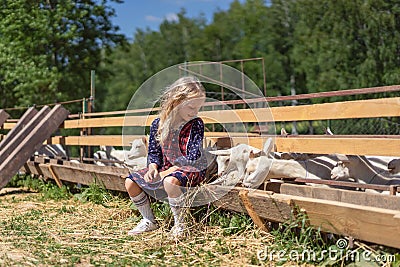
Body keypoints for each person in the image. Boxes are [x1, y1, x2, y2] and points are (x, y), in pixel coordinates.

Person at [125, 76, 207, 238]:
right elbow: (154, 153)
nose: (195, 112)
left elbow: (192, 157)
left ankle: (181, 225)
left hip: (192, 167)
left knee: (170, 181)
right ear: (176, 102)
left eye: (198, 108)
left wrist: (166, 173)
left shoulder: (196, 124)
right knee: (130, 182)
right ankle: (149, 220)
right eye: (191, 107)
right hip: (165, 168)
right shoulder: (158, 124)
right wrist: (153, 168)